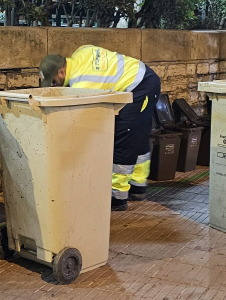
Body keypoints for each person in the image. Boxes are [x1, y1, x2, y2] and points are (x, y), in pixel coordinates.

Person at [39, 46, 161, 210]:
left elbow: (84, 121)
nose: (56, 84)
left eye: (54, 81)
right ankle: (138, 186)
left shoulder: (82, 84)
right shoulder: (81, 51)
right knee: (138, 134)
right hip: (145, 76)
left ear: (61, 72)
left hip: (141, 86)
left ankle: (118, 197)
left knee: (125, 137)